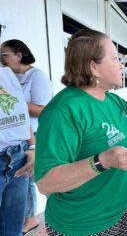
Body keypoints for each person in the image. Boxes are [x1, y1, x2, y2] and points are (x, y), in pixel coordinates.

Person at [34, 29, 127, 235]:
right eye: (115, 58)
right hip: (83, 223)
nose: (121, 64)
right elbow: (46, 182)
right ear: (93, 67)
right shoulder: (63, 111)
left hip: (121, 207)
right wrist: (103, 161)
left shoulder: (110, 99)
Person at [1, 39, 53, 234]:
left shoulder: (37, 76)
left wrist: (16, 102)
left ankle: (30, 218)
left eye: (3, 55)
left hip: (32, 133)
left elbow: (44, 110)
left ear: (18, 55)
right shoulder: (8, 76)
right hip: (19, 136)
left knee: (30, 177)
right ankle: (29, 217)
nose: (1, 60)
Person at [0, 66, 35, 236]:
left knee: (13, 229)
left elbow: (21, 114)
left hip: (18, 156)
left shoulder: (6, 73)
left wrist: (33, 146)